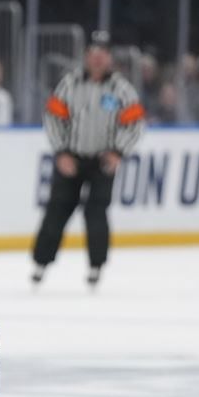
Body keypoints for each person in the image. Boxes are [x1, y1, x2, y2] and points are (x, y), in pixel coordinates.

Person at [33, 30, 144, 288]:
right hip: (71, 157)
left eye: (102, 54)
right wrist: (61, 152)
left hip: (103, 160)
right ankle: (41, 262)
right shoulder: (69, 83)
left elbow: (135, 123)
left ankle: (96, 265)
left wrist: (118, 152)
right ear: (86, 56)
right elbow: (53, 117)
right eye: (93, 54)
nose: (97, 59)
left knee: (97, 212)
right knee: (57, 209)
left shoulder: (122, 89)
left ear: (109, 59)